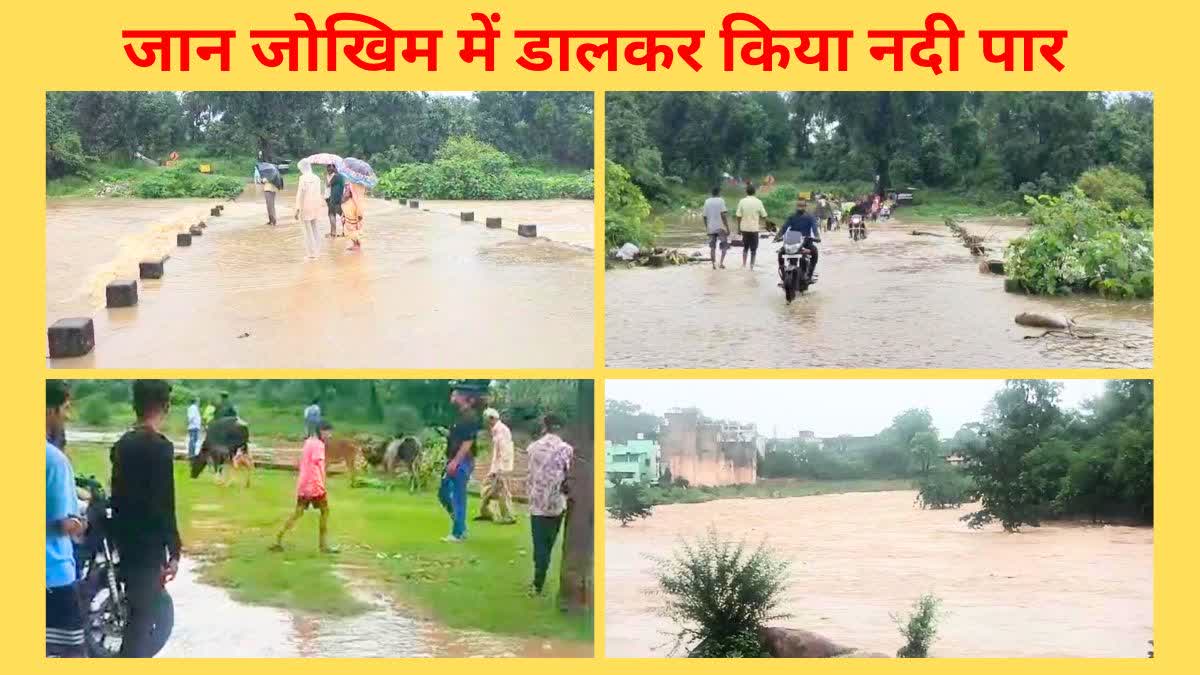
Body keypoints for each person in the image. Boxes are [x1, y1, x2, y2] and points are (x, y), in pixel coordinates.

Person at [109, 380, 181, 658]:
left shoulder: (121, 446)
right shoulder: (161, 448)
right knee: (140, 624)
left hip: (124, 541)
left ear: (134, 406)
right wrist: (174, 550)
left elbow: (117, 496)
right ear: (166, 406)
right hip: (148, 546)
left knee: (134, 616)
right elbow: (165, 503)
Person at [46, 380, 86, 658]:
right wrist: (81, 523)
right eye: (65, 408)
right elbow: (65, 524)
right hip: (52, 575)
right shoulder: (53, 460)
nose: (67, 416)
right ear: (49, 410)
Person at [524, 414, 573, 597]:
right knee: (550, 543)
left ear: (544, 426)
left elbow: (530, 475)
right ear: (561, 428)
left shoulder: (533, 448)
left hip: (537, 503)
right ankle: (540, 580)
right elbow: (568, 476)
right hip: (557, 503)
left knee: (539, 545)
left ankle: (538, 582)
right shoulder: (566, 449)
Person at [272, 421, 336, 553]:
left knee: (298, 513)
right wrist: (322, 483)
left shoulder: (309, 442)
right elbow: (318, 465)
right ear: (322, 431)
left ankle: (278, 539)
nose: (330, 435)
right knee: (325, 512)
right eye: (328, 432)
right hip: (314, 485)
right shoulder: (318, 445)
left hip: (304, 484)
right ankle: (323, 545)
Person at [438, 384, 484, 543]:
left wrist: (456, 462)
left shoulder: (470, 416)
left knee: (458, 496)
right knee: (443, 494)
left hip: (462, 460)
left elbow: (468, 442)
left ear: (463, 396)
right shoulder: (460, 415)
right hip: (453, 459)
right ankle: (460, 526)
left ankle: (458, 533)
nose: (452, 395)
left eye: (455, 393)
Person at [475, 408, 515, 524]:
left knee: (501, 491)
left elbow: (505, 451)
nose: (485, 422)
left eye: (486, 419)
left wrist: (501, 469)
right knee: (487, 488)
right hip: (497, 467)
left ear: (491, 418)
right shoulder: (496, 430)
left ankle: (507, 516)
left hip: (501, 468)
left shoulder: (501, 430)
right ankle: (486, 512)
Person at [777, 197, 821, 281]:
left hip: (806, 241)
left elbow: (814, 229)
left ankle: (809, 274)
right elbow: (784, 228)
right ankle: (783, 274)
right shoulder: (792, 217)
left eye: (802, 205)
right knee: (780, 253)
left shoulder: (810, 217)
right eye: (799, 205)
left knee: (814, 251)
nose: (800, 207)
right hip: (793, 240)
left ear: (805, 206)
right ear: (796, 206)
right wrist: (777, 237)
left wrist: (817, 236)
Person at [294, 159, 325, 260]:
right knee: (316, 228)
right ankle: (317, 251)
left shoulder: (302, 178)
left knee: (307, 231)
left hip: (305, 206)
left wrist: (297, 209)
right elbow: (319, 192)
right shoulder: (316, 178)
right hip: (316, 206)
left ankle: (311, 254)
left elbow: (300, 194)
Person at [735, 184, 767, 270]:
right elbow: (764, 216)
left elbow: (738, 216)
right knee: (753, 250)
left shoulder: (742, 201)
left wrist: (738, 228)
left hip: (744, 229)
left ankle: (744, 265)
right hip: (754, 229)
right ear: (754, 192)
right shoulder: (759, 202)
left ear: (746, 192)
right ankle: (751, 267)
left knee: (745, 248)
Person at [702, 187, 729, 269]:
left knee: (712, 247)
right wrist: (727, 227)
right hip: (721, 227)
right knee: (724, 246)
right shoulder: (721, 200)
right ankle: (721, 263)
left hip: (711, 228)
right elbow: (723, 215)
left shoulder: (707, 201)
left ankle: (713, 264)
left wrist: (707, 227)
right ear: (718, 193)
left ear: (711, 193)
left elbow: (704, 217)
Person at [341, 180, 366, 251]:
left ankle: (356, 244)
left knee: (351, 226)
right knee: (356, 226)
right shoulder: (363, 185)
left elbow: (353, 196)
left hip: (353, 205)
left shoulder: (352, 184)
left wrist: (348, 187)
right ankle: (356, 244)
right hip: (359, 205)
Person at [325, 164, 345, 238]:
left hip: (333, 197)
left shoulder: (335, 176)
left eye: (332, 167)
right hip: (339, 197)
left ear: (335, 168)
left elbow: (328, 184)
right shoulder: (342, 176)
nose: (330, 168)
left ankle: (333, 233)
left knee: (331, 214)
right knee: (341, 214)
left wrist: (324, 176)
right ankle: (344, 231)